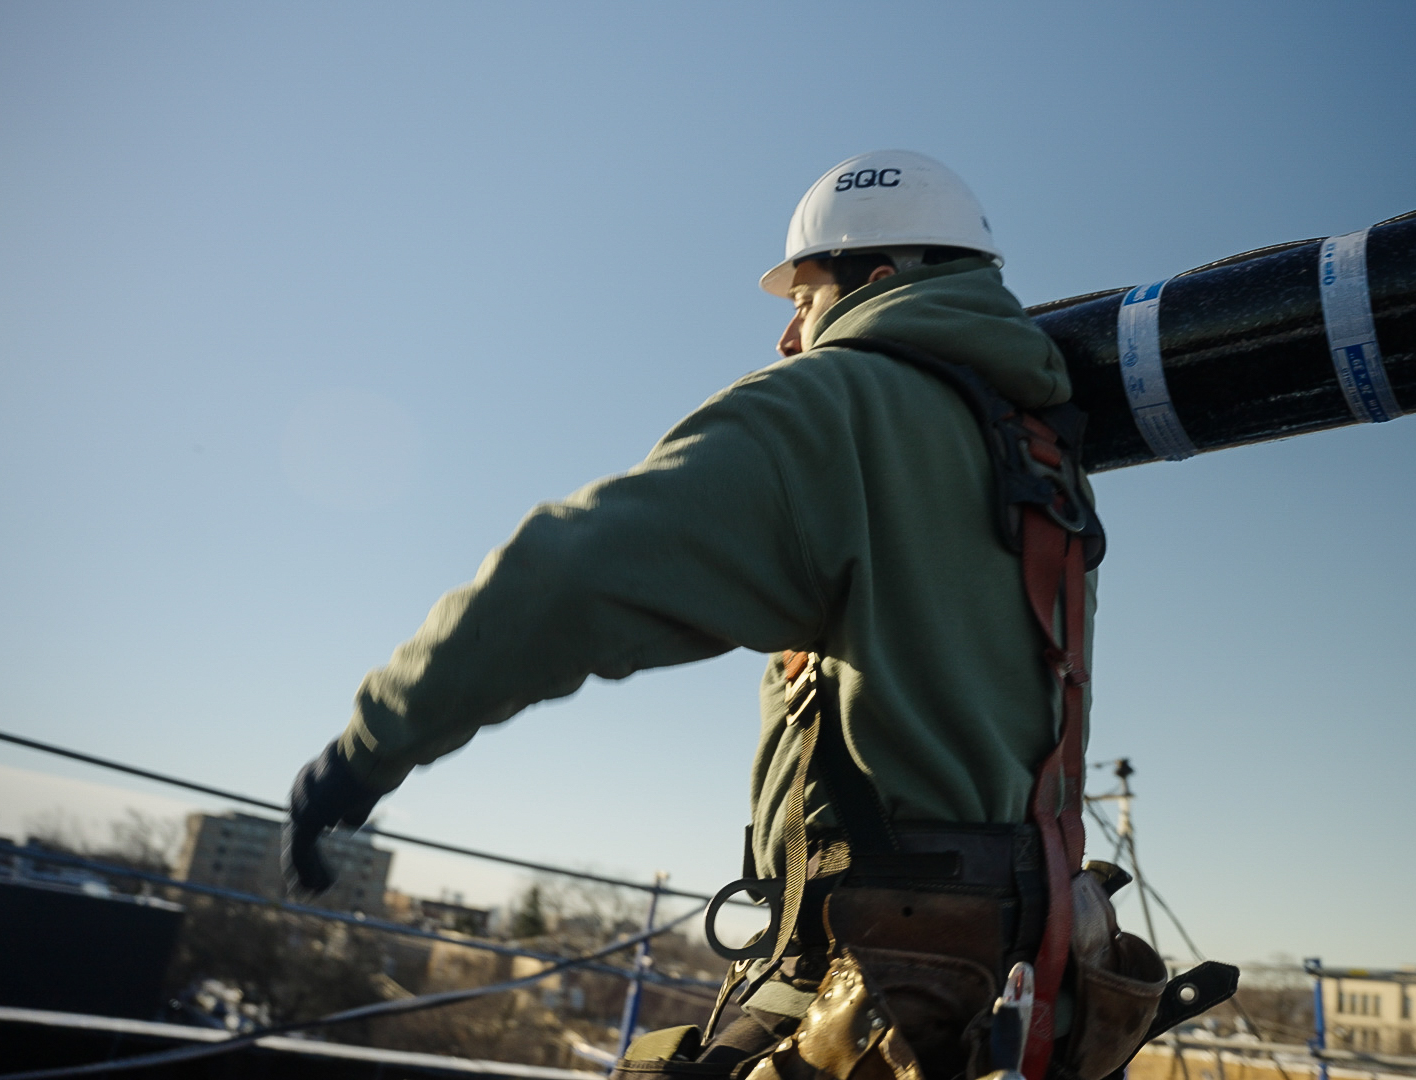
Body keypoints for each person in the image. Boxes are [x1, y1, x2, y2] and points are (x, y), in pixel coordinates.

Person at [282, 150, 1166, 1080]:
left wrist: (362, 757)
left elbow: (563, 578)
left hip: (874, 984)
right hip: (1029, 984)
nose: (789, 337)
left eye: (802, 298)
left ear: (876, 279)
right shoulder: (1039, 448)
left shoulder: (836, 408)